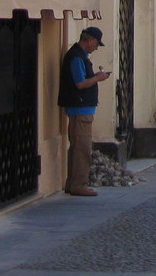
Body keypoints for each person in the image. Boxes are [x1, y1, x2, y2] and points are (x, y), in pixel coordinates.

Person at [57, 26, 111, 196]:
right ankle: (79, 184)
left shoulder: (78, 55)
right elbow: (80, 83)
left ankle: (72, 183)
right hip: (80, 109)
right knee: (82, 148)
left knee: (76, 148)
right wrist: (98, 78)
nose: (96, 48)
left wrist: (95, 76)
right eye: (96, 44)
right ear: (90, 40)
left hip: (78, 108)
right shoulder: (77, 57)